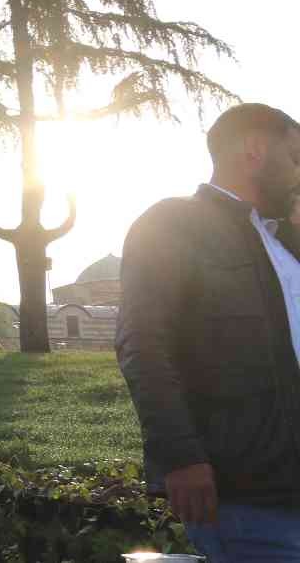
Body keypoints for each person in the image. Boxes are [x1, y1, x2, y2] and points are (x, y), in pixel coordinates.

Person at [117, 103, 300, 561]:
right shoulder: (173, 224)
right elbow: (143, 344)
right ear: (256, 150)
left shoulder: (282, 240)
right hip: (247, 495)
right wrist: (180, 457)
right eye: (296, 158)